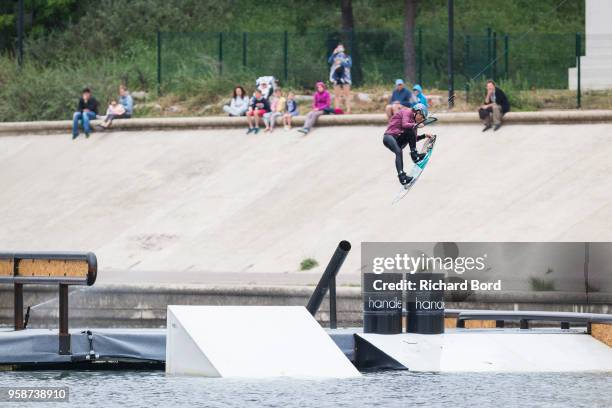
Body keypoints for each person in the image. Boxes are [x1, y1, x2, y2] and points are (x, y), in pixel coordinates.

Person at [382, 103, 433, 186]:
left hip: (398, 139)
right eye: (422, 117)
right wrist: (416, 125)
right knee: (398, 151)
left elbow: (413, 138)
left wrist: (424, 136)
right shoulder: (407, 111)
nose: (422, 119)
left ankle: (415, 155)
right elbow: (404, 124)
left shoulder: (413, 123)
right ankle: (402, 177)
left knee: (411, 132)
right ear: (418, 112)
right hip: (389, 137)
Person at [328, 43, 352, 114]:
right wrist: (333, 53)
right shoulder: (334, 57)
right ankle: (337, 110)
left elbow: (349, 65)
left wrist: (341, 63)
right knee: (337, 95)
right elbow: (329, 61)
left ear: (344, 49)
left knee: (346, 94)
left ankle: (348, 110)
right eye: (338, 48)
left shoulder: (347, 56)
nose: (340, 49)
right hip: (336, 77)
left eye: (341, 47)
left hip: (345, 77)